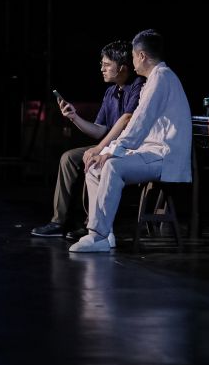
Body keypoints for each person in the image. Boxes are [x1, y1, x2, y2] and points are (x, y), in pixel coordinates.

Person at [70, 29, 191, 253]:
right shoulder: (154, 79)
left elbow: (139, 121)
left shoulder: (161, 78)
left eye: (134, 56)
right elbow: (140, 123)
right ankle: (104, 233)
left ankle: (98, 235)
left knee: (112, 166)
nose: (132, 62)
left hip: (164, 155)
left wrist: (114, 150)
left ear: (142, 56)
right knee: (94, 167)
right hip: (149, 151)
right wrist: (105, 151)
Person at [31, 40, 145, 243]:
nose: (102, 69)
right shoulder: (110, 92)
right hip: (109, 146)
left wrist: (100, 149)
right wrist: (74, 117)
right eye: (102, 64)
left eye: (107, 64)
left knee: (93, 159)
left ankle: (92, 224)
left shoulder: (138, 86)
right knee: (69, 158)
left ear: (122, 68)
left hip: (129, 148)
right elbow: (99, 130)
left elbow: (127, 118)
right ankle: (60, 222)